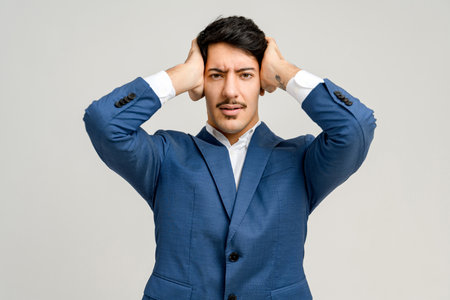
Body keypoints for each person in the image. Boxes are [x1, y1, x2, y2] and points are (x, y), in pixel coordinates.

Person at [83, 15, 376, 300]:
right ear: (201, 83)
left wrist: (284, 72)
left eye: (246, 74)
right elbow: (104, 122)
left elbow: (355, 127)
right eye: (216, 75)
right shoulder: (165, 157)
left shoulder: (300, 161)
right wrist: (181, 76)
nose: (230, 91)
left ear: (262, 82)